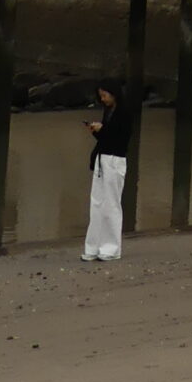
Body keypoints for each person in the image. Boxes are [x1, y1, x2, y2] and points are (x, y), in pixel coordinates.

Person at [82, 82, 134, 262]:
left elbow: (121, 138)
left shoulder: (124, 113)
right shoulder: (109, 111)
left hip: (115, 159)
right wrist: (96, 130)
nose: (103, 99)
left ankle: (111, 248)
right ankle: (93, 247)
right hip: (102, 158)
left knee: (111, 204)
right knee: (97, 202)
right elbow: (106, 137)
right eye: (101, 96)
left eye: (105, 95)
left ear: (114, 94)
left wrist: (103, 129)